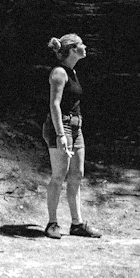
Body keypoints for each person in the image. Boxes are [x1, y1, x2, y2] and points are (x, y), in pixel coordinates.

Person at [42, 33, 101, 240]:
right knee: (59, 176)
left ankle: (76, 224)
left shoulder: (72, 71)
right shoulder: (59, 72)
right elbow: (55, 104)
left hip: (76, 128)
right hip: (62, 127)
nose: (85, 47)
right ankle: (52, 223)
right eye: (81, 44)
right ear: (72, 50)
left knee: (77, 174)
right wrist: (60, 135)